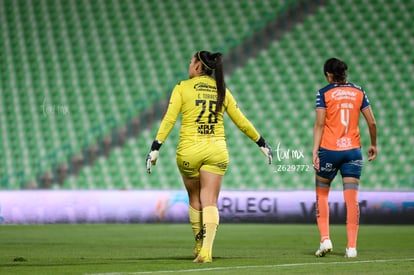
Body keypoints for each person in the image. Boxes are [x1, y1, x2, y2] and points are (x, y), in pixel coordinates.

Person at [145, 50, 273, 263]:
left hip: (189, 151)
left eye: (190, 61)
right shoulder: (222, 90)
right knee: (210, 201)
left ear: (197, 66)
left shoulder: (182, 87)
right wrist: (261, 142)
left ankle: (198, 244)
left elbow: (168, 119)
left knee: (195, 199)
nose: (189, 65)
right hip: (216, 150)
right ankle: (206, 251)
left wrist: (155, 147)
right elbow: (241, 121)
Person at [312, 57, 377, 258]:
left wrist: (315, 151)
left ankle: (325, 240)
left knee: (322, 194)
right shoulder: (359, 91)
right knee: (351, 199)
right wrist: (373, 144)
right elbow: (372, 123)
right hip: (353, 152)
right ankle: (351, 248)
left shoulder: (323, 93)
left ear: (328, 75)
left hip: (329, 150)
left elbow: (320, 124)